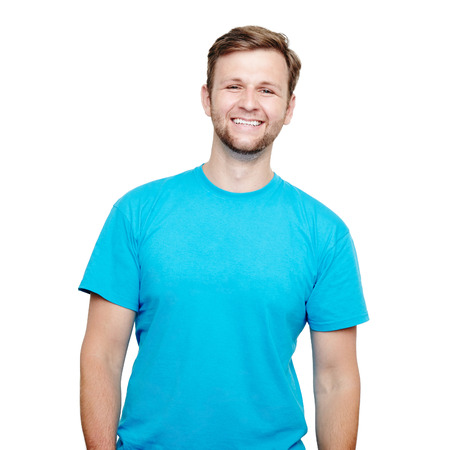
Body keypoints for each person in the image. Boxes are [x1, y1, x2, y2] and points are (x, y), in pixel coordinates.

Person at [79, 25, 369, 450]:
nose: (249, 103)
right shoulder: (136, 214)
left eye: (267, 90)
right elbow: (102, 356)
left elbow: (336, 379)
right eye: (234, 86)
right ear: (206, 98)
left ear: (289, 108)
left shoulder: (325, 233)